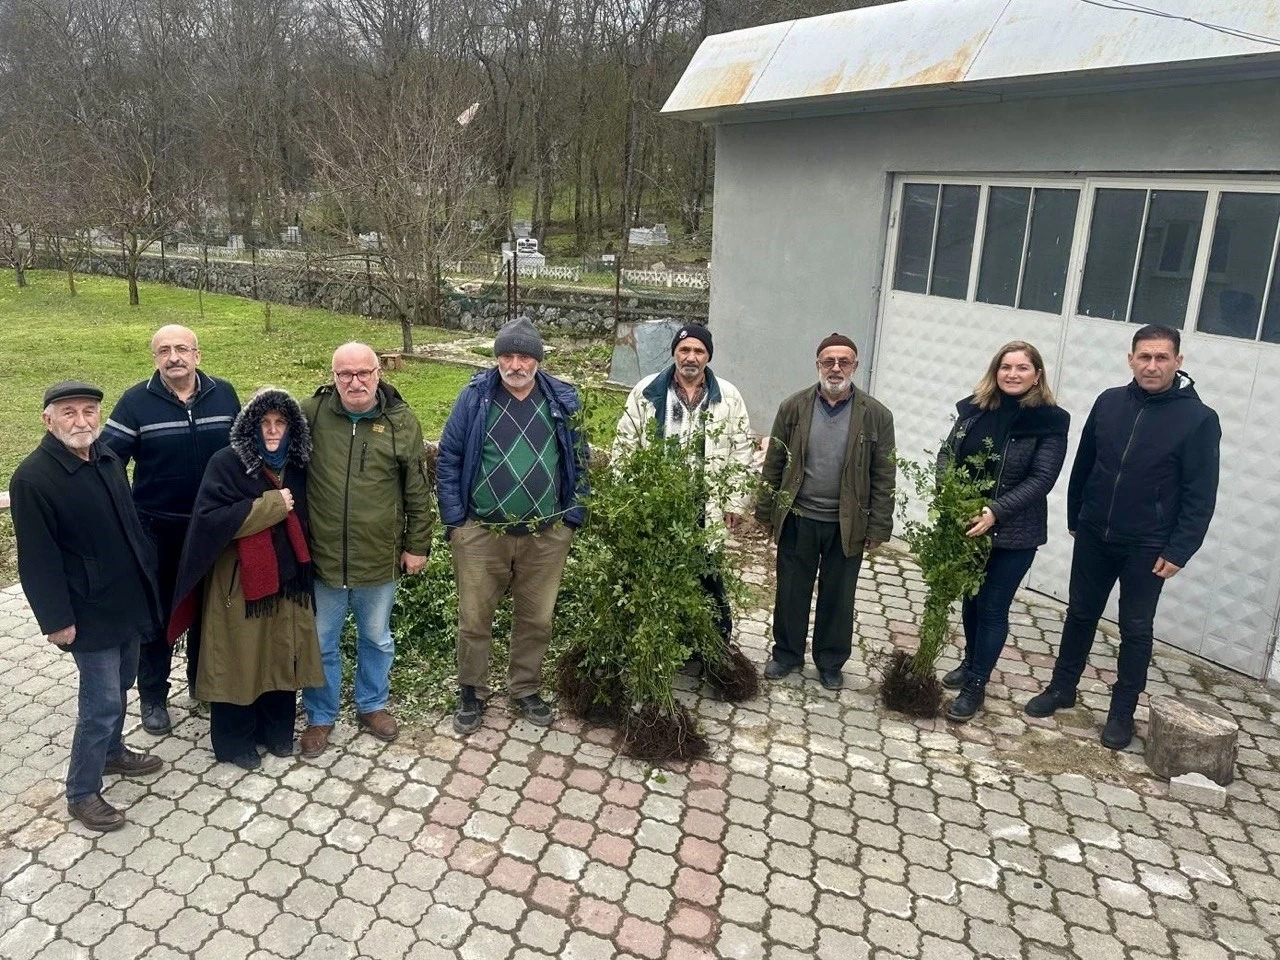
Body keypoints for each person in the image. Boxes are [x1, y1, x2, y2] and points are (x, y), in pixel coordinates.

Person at [1025, 325, 1220, 750]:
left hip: (1149, 544)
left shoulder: (1198, 420)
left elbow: (1200, 493)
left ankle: (1122, 712)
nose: (1152, 365)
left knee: (1135, 628)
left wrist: (1180, 549)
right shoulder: (1109, 402)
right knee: (1079, 613)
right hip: (1096, 532)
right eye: (1144, 357)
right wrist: (1076, 514)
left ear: (1178, 363)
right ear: (1130, 359)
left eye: (1162, 358)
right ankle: (1062, 688)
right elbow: (1084, 463)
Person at [10, 381, 165, 831]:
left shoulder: (107, 458)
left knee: (122, 684)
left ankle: (113, 752)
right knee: (98, 703)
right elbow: (36, 560)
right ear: (48, 420)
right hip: (87, 611)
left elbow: (130, 527)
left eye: (89, 411)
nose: (82, 422)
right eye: (69, 413)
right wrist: (56, 621)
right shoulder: (33, 478)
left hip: (127, 600)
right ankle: (81, 791)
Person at [437, 317, 589, 734]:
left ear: (537, 360)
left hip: (545, 533)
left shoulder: (562, 400)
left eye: (524, 356)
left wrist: (571, 518)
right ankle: (472, 691)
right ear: (497, 357)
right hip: (482, 533)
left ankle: (525, 688)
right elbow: (449, 457)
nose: (515, 364)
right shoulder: (474, 398)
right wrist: (456, 523)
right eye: (507, 355)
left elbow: (580, 460)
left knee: (536, 619)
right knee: (474, 619)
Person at [168, 389, 324, 769]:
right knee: (240, 659)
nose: (272, 431)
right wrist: (272, 505)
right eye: (263, 423)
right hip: (239, 585)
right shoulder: (227, 463)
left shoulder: (297, 465)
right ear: (250, 428)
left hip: (288, 582)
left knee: (279, 654)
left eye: (279, 423)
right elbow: (210, 521)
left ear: (291, 428)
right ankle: (234, 742)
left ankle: (275, 733)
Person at [103, 325, 240, 734]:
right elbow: (108, 460)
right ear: (155, 359)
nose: (174, 357)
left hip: (214, 526)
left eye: (182, 348)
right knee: (157, 616)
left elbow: (243, 448)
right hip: (157, 529)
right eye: (164, 350)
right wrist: (123, 516)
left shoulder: (225, 393)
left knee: (211, 609)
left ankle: (205, 684)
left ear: (198, 354)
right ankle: (153, 697)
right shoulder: (135, 402)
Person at [299, 343, 433, 757]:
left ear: (379, 373)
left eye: (363, 373)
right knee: (321, 642)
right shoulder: (312, 414)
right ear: (333, 376)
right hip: (324, 559)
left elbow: (417, 490)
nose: (355, 382)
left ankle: (371, 704)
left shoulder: (400, 421)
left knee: (376, 638)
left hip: (379, 557)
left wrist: (417, 545)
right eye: (345, 374)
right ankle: (321, 715)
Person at [936, 342, 1070, 722]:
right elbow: (949, 453)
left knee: (993, 606)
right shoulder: (975, 409)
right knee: (971, 600)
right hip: (966, 525)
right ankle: (969, 661)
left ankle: (976, 685)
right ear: (995, 371)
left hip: (1014, 533)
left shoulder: (1050, 420)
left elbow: (1042, 478)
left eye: (1022, 368)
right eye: (1006, 367)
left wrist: (995, 511)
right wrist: (949, 494)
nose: (1013, 374)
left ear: (1037, 375)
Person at [755, 333, 896, 690]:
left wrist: (878, 525)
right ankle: (786, 654)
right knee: (790, 591)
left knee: (839, 596)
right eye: (828, 361)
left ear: (855, 366)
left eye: (843, 361)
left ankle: (831, 661)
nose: (836, 368)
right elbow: (774, 462)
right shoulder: (793, 408)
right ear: (817, 365)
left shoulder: (876, 415)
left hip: (845, 525)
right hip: (799, 518)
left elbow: (884, 473)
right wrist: (766, 512)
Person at [613, 323, 754, 655]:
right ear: (675, 353)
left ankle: (715, 647)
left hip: (706, 507)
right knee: (656, 574)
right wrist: (628, 497)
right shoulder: (647, 391)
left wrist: (734, 500)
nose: (691, 357)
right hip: (657, 506)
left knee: (708, 578)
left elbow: (742, 451)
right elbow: (624, 445)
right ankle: (658, 642)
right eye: (685, 350)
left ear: (708, 357)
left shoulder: (728, 397)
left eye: (699, 351)